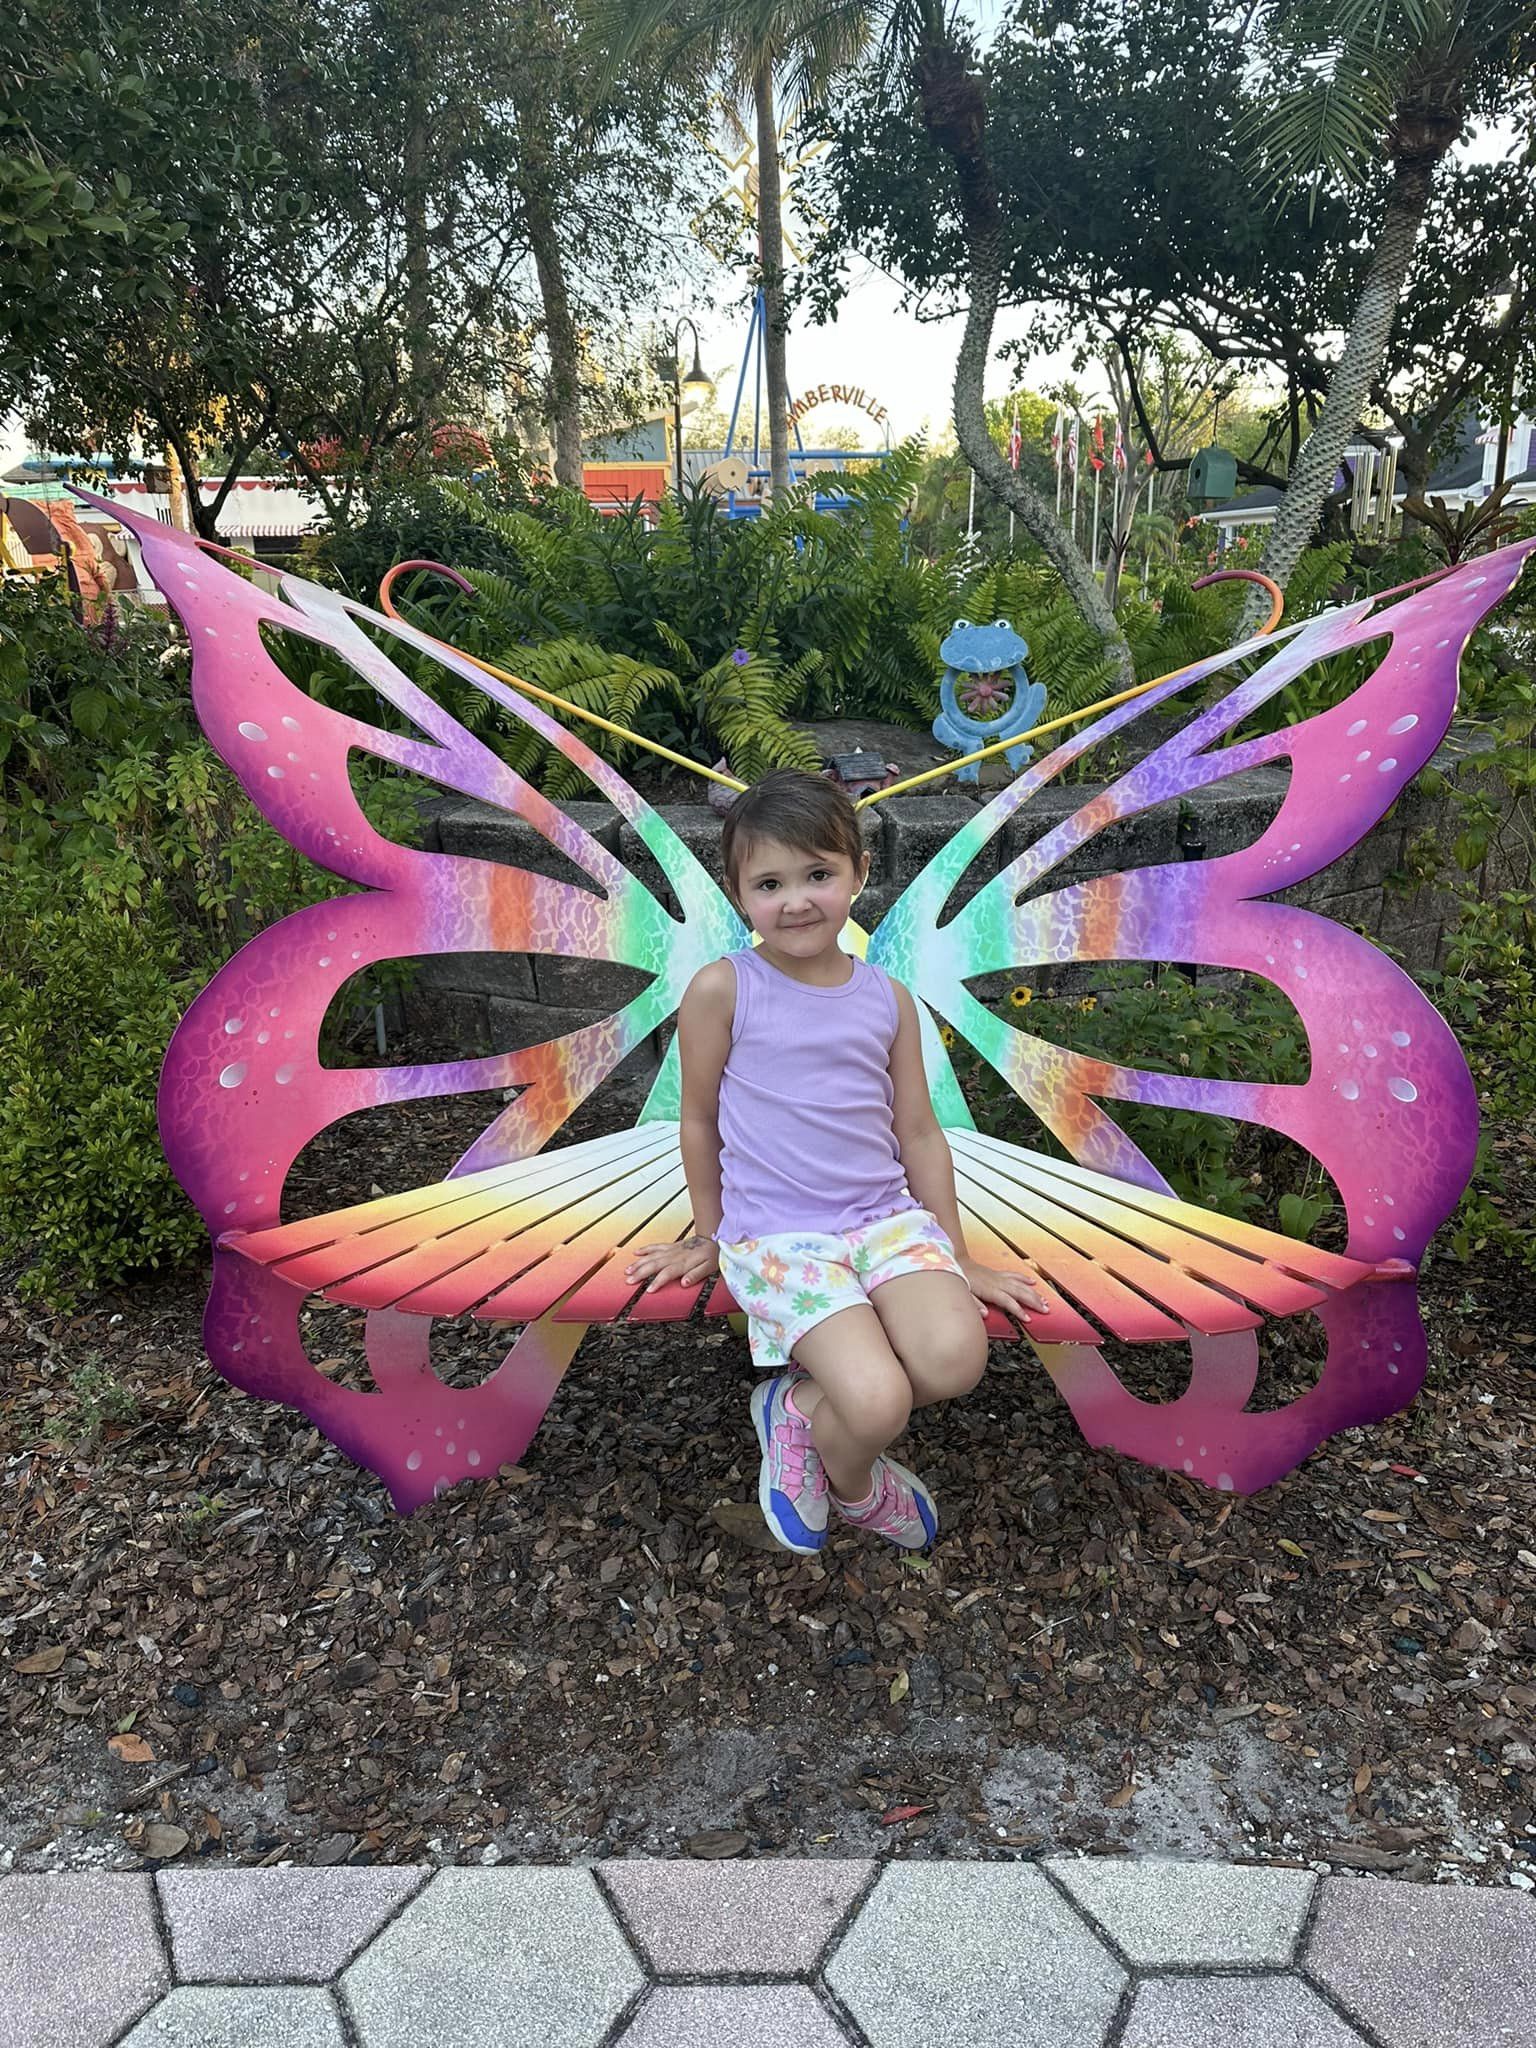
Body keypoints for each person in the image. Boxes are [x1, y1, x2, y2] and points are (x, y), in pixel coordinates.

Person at [622, 770, 1046, 1557]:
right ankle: (855, 1485)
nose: (797, 900)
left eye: (818, 874)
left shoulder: (887, 999)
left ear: (858, 873)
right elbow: (699, 1117)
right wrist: (711, 1236)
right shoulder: (723, 989)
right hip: (783, 1239)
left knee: (955, 1360)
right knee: (880, 1401)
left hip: (883, 1222)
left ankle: (798, 1409)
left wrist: (957, 1258)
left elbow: (919, 1132)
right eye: (770, 883)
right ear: (739, 893)